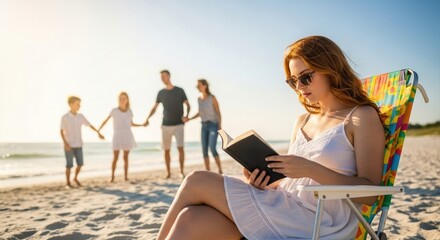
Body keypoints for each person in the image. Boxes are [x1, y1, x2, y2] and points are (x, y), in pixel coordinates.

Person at [156, 36, 386, 240]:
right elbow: (293, 183)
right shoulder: (302, 121)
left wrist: (310, 169)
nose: (299, 87)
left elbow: (371, 193)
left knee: (197, 180)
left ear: (331, 69)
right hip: (283, 205)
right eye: (292, 81)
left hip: (319, 222)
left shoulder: (360, 117)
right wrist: (265, 182)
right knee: (191, 218)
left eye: (305, 78)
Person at [144, 70, 190, 178]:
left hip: (179, 124)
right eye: (161, 77)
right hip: (166, 125)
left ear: (169, 76)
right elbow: (154, 108)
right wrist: (147, 118)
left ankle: (181, 171)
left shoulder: (179, 90)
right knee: (166, 150)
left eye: (164, 76)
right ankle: (168, 172)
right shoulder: (161, 93)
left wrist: (187, 116)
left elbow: (188, 105)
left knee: (180, 148)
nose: (162, 79)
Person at [98, 92, 144, 183]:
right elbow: (106, 120)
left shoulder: (129, 111)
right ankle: (112, 177)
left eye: (124, 98)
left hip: (127, 135)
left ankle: (126, 177)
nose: (122, 100)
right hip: (117, 135)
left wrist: (142, 125)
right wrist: (99, 130)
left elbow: (131, 124)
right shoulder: (114, 111)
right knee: (115, 157)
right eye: (120, 98)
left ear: (127, 100)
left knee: (126, 157)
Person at [60, 96, 104, 188]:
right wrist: (65, 143)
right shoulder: (65, 117)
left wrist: (98, 132)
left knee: (80, 164)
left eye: (79, 104)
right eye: (77, 104)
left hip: (79, 144)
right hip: (69, 145)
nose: (79, 106)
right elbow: (61, 131)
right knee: (69, 165)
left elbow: (89, 125)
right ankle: (68, 183)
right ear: (71, 104)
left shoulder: (81, 116)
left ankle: (75, 178)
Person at [188, 79, 223, 174]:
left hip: (213, 125)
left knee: (212, 148)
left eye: (199, 86)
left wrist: (220, 126)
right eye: (197, 86)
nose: (197, 88)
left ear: (205, 86)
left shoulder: (212, 98)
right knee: (204, 149)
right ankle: (208, 172)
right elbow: (199, 113)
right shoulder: (199, 99)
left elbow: (218, 113)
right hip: (203, 126)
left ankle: (220, 170)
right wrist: (189, 119)